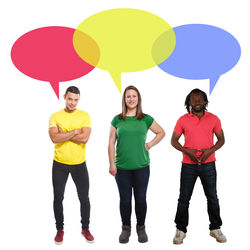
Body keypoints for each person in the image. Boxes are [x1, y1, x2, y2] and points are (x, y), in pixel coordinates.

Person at [108, 85, 165, 243]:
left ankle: (141, 228)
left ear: (138, 99)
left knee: (140, 199)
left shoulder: (145, 118)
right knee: (125, 200)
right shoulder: (117, 119)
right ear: (124, 100)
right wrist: (112, 164)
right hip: (121, 168)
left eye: (134, 96)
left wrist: (150, 144)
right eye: (128, 96)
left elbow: (161, 132)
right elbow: (111, 142)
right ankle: (126, 228)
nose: (131, 99)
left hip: (142, 167)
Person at [171, 88, 226, 244]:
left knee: (212, 197)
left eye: (200, 99)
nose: (197, 102)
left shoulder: (214, 119)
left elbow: (221, 139)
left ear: (205, 101)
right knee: (184, 199)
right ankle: (180, 230)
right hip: (188, 165)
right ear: (189, 102)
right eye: (194, 100)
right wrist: (187, 151)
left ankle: (215, 228)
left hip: (209, 165)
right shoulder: (182, 120)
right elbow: (173, 141)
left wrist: (210, 151)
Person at [49, 86, 94, 244]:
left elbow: (84, 139)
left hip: (79, 164)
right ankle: (60, 230)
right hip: (59, 164)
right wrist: (75, 131)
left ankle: (85, 228)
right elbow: (54, 138)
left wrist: (64, 134)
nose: (73, 102)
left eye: (76, 99)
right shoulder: (55, 116)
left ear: (78, 99)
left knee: (84, 198)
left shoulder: (85, 116)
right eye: (70, 99)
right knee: (58, 198)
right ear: (64, 97)